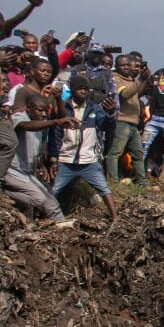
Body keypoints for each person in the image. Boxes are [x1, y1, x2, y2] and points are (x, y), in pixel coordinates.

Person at [49, 75, 118, 221]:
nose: (83, 92)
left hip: (88, 161)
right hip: (66, 159)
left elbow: (105, 126)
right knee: (54, 190)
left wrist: (110, 114)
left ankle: (115, 217)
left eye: (86, 89)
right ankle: (46, 217)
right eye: (80, 89)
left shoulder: (94, 108)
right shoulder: (65, 107)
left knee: (104, 189)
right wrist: (54, 159)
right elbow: (55, 134)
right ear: (73, 90)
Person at [3, 94, 65, 220]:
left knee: (49, 200)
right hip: (12, 170)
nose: (43, 115)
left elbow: (37, 146)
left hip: (26, 172)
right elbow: (26, 126)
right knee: (47, 203)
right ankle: (66, 229)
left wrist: (41, 165)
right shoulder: (19, 117)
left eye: (45, 111)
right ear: (28, 108)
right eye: (39, 110)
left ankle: (6, 193)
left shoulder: (40, 123)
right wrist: (56, 122)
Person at [107, 54, 148, 185]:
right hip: (121, 121)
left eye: (127, 65)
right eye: (122, 65)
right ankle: (113, 182)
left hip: (133, 123)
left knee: (138, 153)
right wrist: (141, 79)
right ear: (117, 66)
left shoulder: (130, 79)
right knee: (115, 152)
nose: (125, 67)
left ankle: (142, 181)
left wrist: (143, 78)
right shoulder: (115, 78)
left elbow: (138, 92)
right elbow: (125, 94)